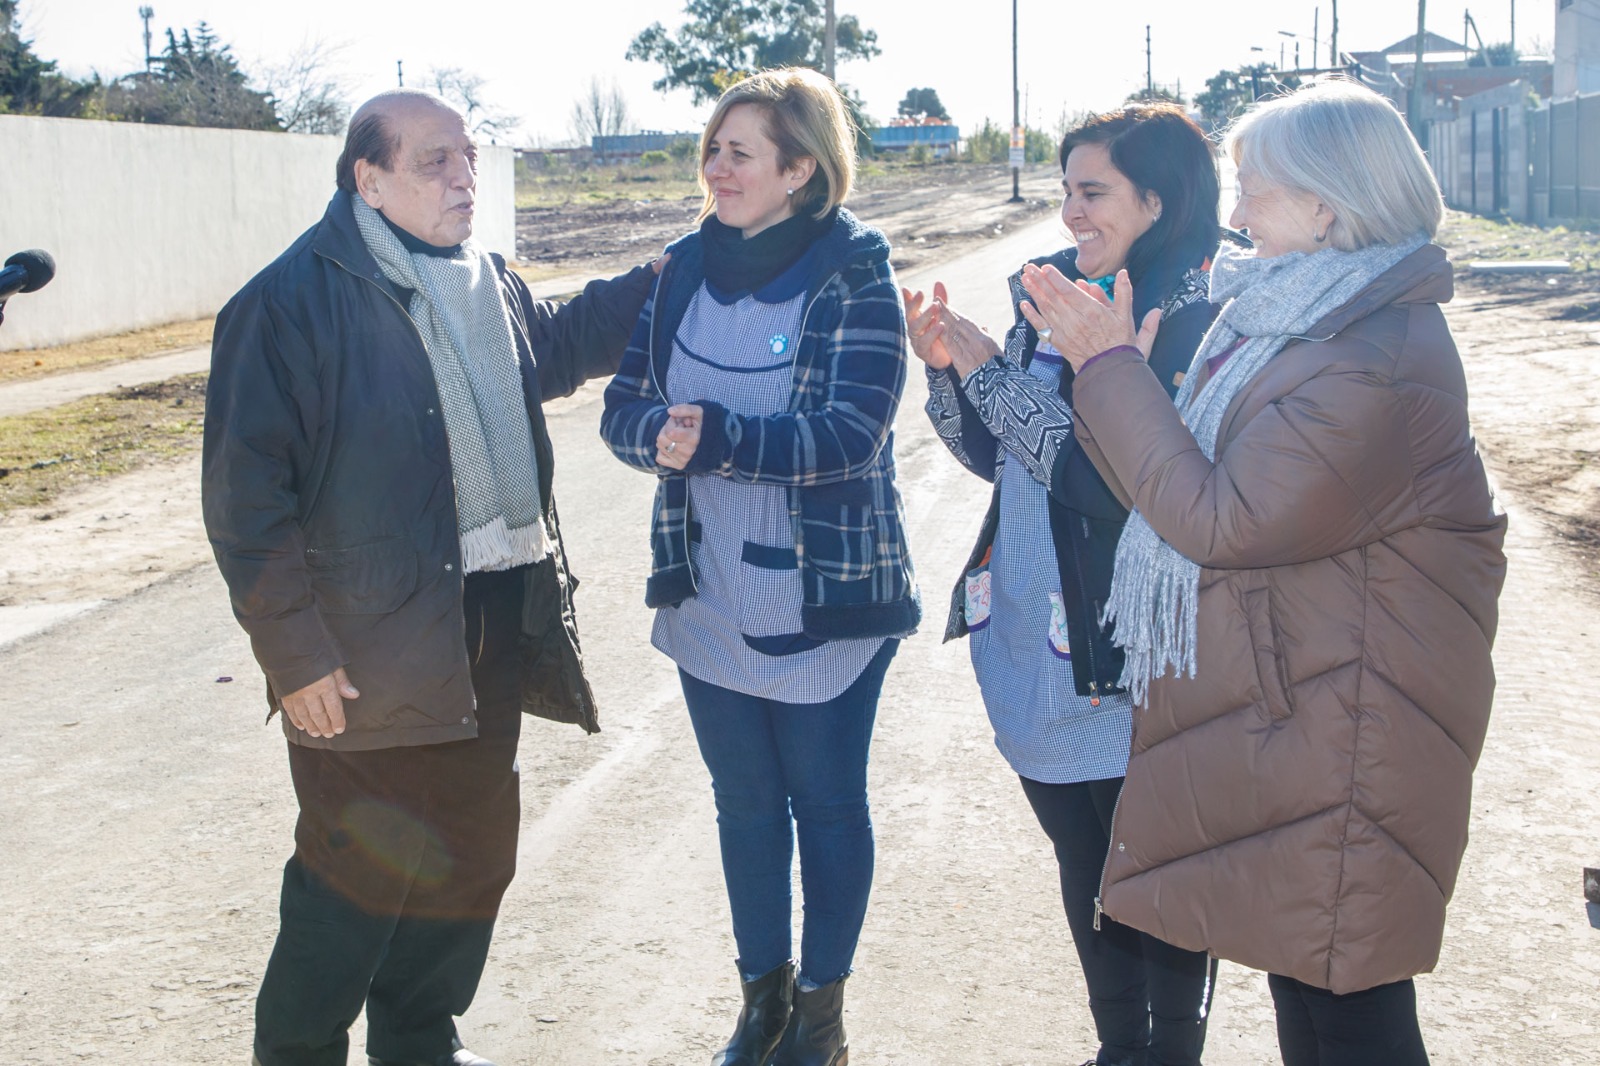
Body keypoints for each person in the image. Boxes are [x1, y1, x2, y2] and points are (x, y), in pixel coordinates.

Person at [1016, 80, 1508, 1066]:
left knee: (1349, 1013)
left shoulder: (1369, 354)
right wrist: (1116, 383)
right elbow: (1173, 494)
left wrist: (1109, 371)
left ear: (1326, 204)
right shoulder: (1302, 322)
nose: (1235, 213)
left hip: (1354, 722)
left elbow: (1218, 520)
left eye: (1256, 188)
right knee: (1315, 991)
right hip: (1313, 711)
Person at [202, 89, 658, 1066]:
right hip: (366, 647)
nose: (464, 178)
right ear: (368, 179)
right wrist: (295, 656)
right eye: (435, 161)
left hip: (493, 616)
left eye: (469, 158)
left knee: (466, 853)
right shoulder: (287, 304)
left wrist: (662, 275)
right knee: (351, 879)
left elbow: (562, 346)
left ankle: (418, 1040)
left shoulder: (481, 280)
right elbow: (246, 504)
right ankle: (299, 1051)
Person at [599, 67, 918, 1066]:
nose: (715, 166)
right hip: (708, 591)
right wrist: (657, 432)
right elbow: (621, 406)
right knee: (743, 804)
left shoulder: (853, 270)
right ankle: (761, 999)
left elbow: (853, 433)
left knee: (823, 801)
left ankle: (819, 1016)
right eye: (712, 147)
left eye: (739, 151)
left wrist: (720, 439)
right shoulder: (682, 266)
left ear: (800, 168)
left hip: (824, 598)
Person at [901, 103, 1230, 1066]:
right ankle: (1118, 1049)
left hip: (1123, 646)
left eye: (1094, 192)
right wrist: (951, 375)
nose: (1072, 212)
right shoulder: (1056, 292)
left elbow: (1109, 482)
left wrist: (989, 376)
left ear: (1158, 201)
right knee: (1083, 862)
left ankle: (1169, 1055)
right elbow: (1000, 458)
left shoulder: (1188, 312)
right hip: (1035, 641)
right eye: (1067, 191)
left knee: (1152, 872)